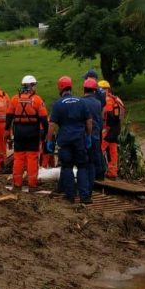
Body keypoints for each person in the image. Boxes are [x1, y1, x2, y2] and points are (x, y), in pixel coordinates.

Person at [46, 76, 93, 204]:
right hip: (80, 140)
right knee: (82, 166)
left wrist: (49, 140)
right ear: (70, 87)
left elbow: (51, 125)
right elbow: (89, 121)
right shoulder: (81, 101)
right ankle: (85, 197)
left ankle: (70, 196)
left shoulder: (58, 104)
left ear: (60, 88)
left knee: (67, 167)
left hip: (65, 141)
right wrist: (88, 136)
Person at [6, 74, 48, 191]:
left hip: (19, 132)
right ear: (31, 86)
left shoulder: (15, 99)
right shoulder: (37, 100)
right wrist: (45, 134)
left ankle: (17, 184)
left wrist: (7, 132)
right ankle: (32, 184)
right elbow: (44, 119)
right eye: (34, 85)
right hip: (33, 132)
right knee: (32, 158)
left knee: (18, 158)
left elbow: (9, 117)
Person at [82, 77, 106, 184]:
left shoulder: (82, 102)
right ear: (94, 90)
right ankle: (100, 175)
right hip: (96, 132)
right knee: (96, 154)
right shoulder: (97, 103)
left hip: (85, 133)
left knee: (85, 159)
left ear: (84, 89)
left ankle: (87, 179)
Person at [99, 79, 124, 179]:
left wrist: (104, 128)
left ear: (104, 89)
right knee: (112, 150)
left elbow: (108, 116)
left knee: (100, 149)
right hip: (116, 128)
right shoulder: (115, 98)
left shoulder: (108, 100)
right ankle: (113, 172)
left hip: (109, 129)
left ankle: (99, 170)